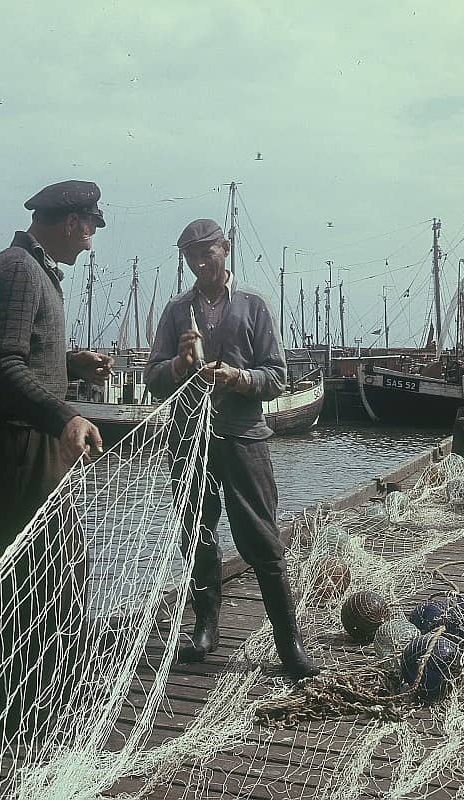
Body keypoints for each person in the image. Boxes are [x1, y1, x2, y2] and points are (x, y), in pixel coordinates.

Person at [0, 179, 113, 732]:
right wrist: (66, 415)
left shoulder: (33, 270)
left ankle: (46, 699)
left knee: (55, 571)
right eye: (91, 228)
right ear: (72, 221)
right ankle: (16, 709)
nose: (91, 241)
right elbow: (1, 364)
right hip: (19, 443)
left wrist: (67, 363)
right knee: (26, 573)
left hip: (32, 440)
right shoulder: (18, 270)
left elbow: (20, 353)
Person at [144, 218, 318, 680]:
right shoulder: (176, 311)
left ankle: (289, 640)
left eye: (208, 253)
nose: (200, 263)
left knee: (261, 538)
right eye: (191, 257)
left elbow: (277, 377)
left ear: (226, 248)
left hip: (244, 439)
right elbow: (153, 378)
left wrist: (238, 378)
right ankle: (206, 625)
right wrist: (180, 364)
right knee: (196, 533)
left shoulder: (254, 305)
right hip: (188, 440)